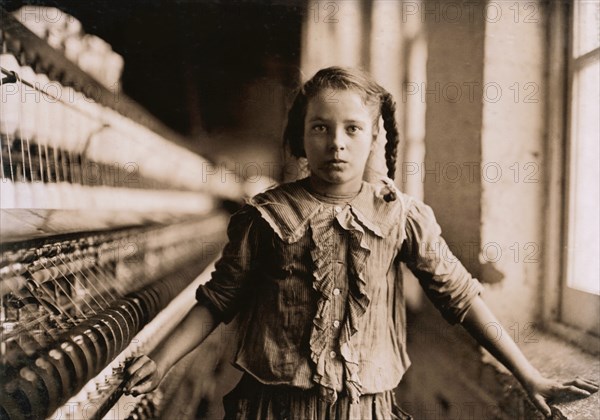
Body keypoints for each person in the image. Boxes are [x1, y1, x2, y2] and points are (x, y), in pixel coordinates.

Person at [124, 67, 598, 419]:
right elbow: (217, 299)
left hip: (364, 408)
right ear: (299, 136)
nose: (337, 143)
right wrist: (161, 362)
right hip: (272, 406)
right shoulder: (265, 217)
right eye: (320, 127)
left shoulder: (401, 216)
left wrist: (529, 374)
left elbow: (461, 296)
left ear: (374, 137)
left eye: (353, 129)